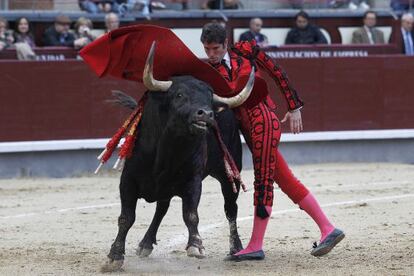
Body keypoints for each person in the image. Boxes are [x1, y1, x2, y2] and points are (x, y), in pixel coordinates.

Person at [200, 22, 344, 261]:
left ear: (226, 44)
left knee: (263, 181)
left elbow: (277, 71)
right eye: (207, 49)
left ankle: (256, 245)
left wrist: (294, 106)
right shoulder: (208, 71)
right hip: (249, 129)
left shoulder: (245, 49)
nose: (211, 54)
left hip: (263, 122)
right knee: (286, 180)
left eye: (215, 48)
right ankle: (328, 228)